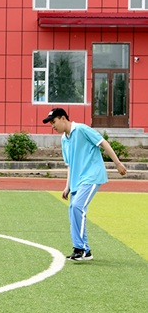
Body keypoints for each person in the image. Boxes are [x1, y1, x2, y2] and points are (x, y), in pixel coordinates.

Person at [43, 107, 127, 261]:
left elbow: (103, 142)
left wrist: (118, 164)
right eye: (51, 123)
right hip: (77, 180)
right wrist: (67, 186)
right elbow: (70, 164)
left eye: (54, 122)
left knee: (77, 207)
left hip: (92, 176)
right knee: (73, 210)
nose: (53, 126)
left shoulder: (82, 129)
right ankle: (85, 251)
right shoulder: (64, 139)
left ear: (63, 118)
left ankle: (79, 249)